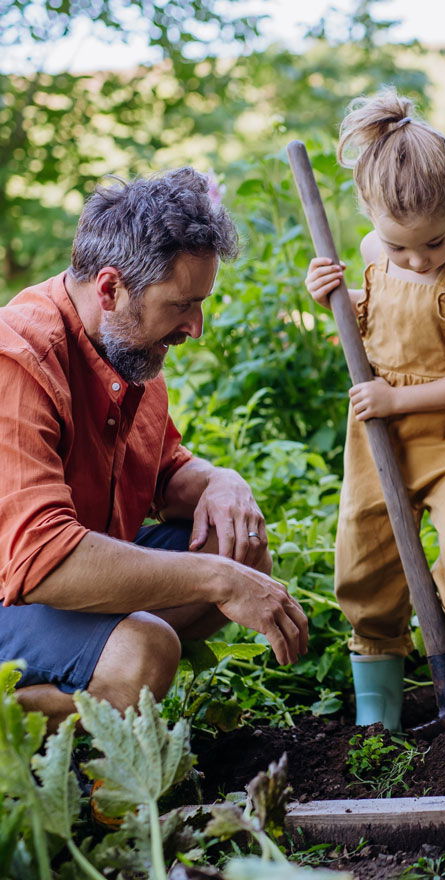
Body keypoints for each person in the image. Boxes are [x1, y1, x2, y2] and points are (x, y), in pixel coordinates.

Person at [0, 168, 310, 731]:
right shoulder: (18, 360)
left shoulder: (127, 349)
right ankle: (37, 714)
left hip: (61, 576)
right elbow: (40, 560)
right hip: (15, 590)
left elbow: (165, 471)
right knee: (143, 654)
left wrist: (220, 480)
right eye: (181, 306)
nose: (196, 328)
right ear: (111, 288)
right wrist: (217, 580)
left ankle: (91, 678)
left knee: (238, 543)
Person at [304, 89, 445, 731]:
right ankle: (379, 694)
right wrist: (334, 300)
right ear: (369, 214)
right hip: (378, 440)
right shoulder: (374, 255)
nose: (418, 260)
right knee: (365, 557)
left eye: (433, 240)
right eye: (400, 248)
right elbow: (369, 330)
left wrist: (398, 397)